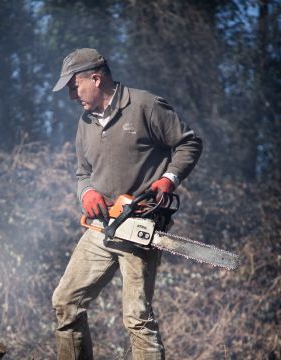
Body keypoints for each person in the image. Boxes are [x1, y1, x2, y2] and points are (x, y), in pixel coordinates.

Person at [51, 48, 202, 360]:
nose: (71, 95)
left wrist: (169, 179)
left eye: (74, 86)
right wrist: (87, 194)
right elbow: (82, 173)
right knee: (66, 302)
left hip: (139, 226)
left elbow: (188, 142)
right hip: (101, 227)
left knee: (136, 318)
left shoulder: (145, 105)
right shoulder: (85, 122)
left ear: (95, 77)